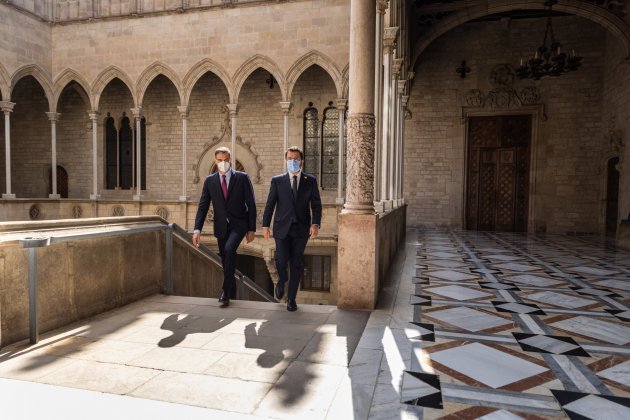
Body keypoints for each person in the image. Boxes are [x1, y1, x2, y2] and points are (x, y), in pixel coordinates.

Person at [193, 146, 256, 307]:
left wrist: (251, 229)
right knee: (225, 259)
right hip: (220, 227)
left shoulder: (242, 178)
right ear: (216, 161)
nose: (223, 163)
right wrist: (197, 229)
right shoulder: (210, 181)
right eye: (219, 160)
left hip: (239, 225)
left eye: (226, 160)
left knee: (229, 250)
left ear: (230, 160)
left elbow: (251, 204)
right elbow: (203, 206)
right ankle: (232, 288)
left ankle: (225, 292)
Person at [262, 146, 322, 312]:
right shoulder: (277, 180)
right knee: (281, 261)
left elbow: (316, 205)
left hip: (301, 229)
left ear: (301, 161)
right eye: (290, 158)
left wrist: (315, 224)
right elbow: (270, 204)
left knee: (297, 263)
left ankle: (291, 299)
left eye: (295, 159)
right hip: (282, 228)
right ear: (285, 160)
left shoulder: (310, 181)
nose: (292, 161)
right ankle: (282, 280)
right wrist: (265, 225)